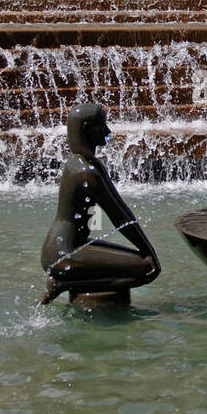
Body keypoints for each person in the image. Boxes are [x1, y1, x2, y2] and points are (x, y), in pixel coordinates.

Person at [40, 104, 160, 303]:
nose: (107, 131)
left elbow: (120, 211)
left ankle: (66, 282)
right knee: (147, 268)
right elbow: (120, 215)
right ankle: (65, 283)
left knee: (138, 260)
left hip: (61, 248)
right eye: (101, 126)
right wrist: (150, 253)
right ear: (87, 128)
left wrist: (146, 250)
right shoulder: (86, 172)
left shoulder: (78, 162)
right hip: (64, 256)